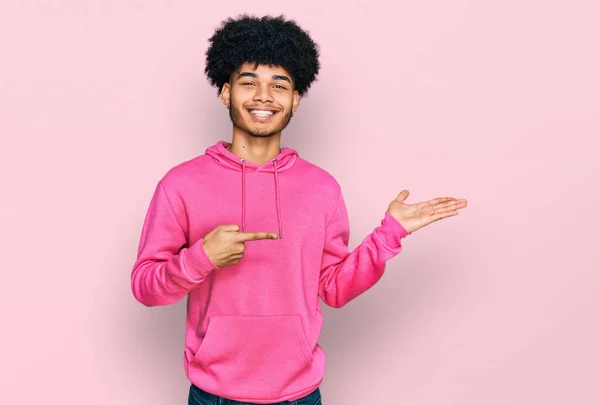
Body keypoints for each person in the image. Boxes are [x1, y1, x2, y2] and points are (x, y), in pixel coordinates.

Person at [131, 14, 467, 405]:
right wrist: (200, 258)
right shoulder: (181, 185)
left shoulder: (321, 189)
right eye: (248, 82)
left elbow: (335, 289)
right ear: (225, 93)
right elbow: (145, 287)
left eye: (279, 85)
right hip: (214, 394)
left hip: (300, 395)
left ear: (295, 99)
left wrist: (388, 235)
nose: (263, 96)